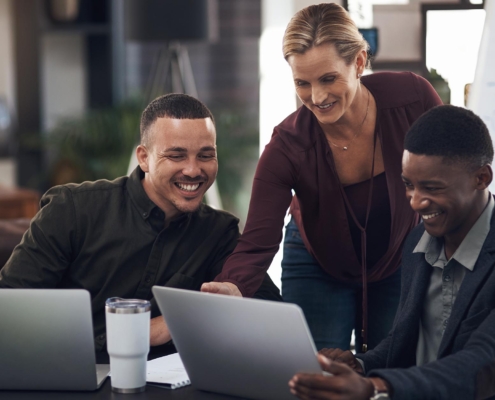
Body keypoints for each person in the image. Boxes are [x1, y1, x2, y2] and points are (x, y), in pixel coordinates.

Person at [201, 2, 442, 352]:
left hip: (398, 257)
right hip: (317, 261)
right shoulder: (287, 146)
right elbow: (258, 241)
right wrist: (232, 286)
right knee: (317, 374)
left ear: (358, 63)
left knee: (389, 370)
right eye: (302, 83)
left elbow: (455, 170)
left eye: (328, 78)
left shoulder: (413, 99)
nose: (316, 97)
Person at [0, 93, 281, 361]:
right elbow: (10, 310)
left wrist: (184, 318)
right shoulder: (72, 210)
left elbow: (271, 313)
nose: (194, 170)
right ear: (144, 158)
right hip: (70, 372)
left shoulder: (219, 232)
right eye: (177, 155)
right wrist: (139, 331)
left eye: (206, 155)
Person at [289, 105, 495, 400]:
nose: (415, 202)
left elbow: (482, 363)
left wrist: (375, 387)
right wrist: (358, 365)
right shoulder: (415, 244)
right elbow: (403, 344)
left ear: (481, 178)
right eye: (409, 185)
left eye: (432, 188)